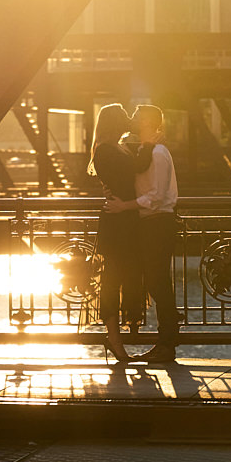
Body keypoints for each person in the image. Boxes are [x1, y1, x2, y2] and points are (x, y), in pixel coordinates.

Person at [105, 104, 179, 364]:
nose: (132, 119)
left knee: (158, 284)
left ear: (146, 121)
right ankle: (166, 342)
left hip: (157, 223)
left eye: (136, 116)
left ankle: (167, 344)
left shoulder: (158, 153)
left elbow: (157, 196)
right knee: (157, 284)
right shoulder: (150, 151)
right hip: (151, 224)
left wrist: (124, 206)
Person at [87, 102, 154, 363]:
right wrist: (148, 143)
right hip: (118, 220)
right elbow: (136, 169)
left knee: (125, 275)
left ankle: (121, 334)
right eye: (124, 116)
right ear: (113, 122)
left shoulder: (116, 148)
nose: (128, 119)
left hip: (126, 217)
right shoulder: (105, 150)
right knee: (113, 279)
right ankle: (114, 338)